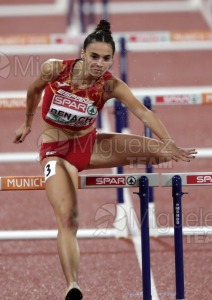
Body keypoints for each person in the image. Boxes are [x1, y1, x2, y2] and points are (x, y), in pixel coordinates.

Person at [13, 19, 196, 300]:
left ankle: (164, 153)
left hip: (89, 145)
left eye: (107, 58)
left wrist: (169, 141)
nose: (100, 63)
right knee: (68, 218)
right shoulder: (55, 69)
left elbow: (144, 113)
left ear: (112, 59)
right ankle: (73, 285)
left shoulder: (110, 85)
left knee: (162, 153)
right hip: (55, 151)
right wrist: (27, 123)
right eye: (95, 56)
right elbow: (32, 91)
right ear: (83, 53)